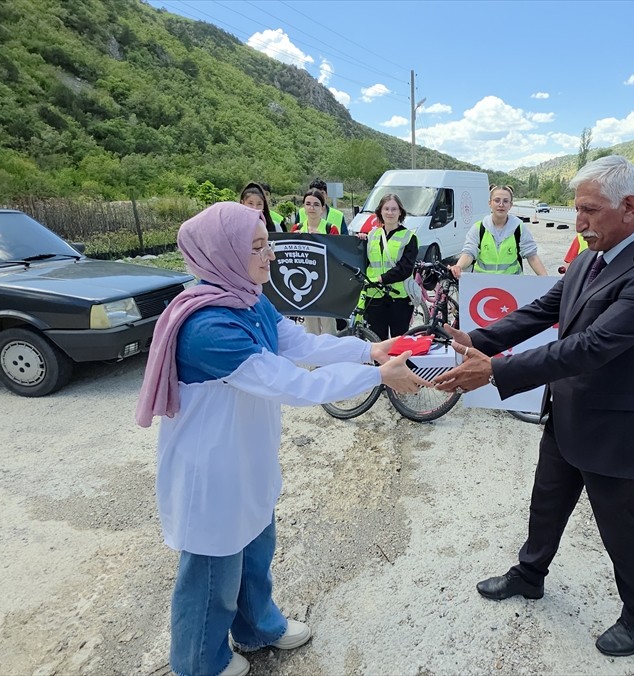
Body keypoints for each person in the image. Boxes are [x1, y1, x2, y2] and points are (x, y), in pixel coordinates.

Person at [135, 202, 427, 676]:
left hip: (247, 455)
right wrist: (378, 376)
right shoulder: (209, 327)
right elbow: (295, 384)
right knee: (212, 573)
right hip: (210, 469)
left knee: (255, 547)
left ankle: (257, 629)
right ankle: (199, 663)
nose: (269, 254)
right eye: (255, 247)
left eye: (266, 241)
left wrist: (368, 349)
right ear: (223, 253)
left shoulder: (248, 298)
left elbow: (303, 345)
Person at [432, 156, 634, 658]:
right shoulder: (596, 256)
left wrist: (497, 370)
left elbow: (591, 346)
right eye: (578, 210)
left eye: (590, 210)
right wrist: (478, 337)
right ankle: (530, 575)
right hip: (568, 410)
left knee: (622, 526)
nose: (580, 222)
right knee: (546, 503)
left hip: (616, 429)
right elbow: (544, 309)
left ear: (630, 207)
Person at [449, 185, 548, 278]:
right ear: (490, 203)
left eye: (505, 201)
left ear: (510, 205)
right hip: (482, 286)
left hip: (512, 286)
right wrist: (459, 267)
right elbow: (468, 253)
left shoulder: (519, 227)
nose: (501, 204)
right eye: (497, 200)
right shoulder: (479, 228)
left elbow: (532, 257)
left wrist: (547, 280)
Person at [360, 194, 418, 338]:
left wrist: (381, 279)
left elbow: (405, 269)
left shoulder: (409, 237)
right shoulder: (372, 235)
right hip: (374, 296)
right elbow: (364, 262)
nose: (390, 213)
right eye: (386, 209)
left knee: (399, 342)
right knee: (378, 341)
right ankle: (380, 363)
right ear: (380, 211)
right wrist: (359, 242)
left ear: (400, 212)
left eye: (394, 209)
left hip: (399, 298)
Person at [291, 189, 341, 336]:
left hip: (326, 282)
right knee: (310, 328)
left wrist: (323, 240)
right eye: (308, 204)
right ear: (304, 207)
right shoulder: (297, 228)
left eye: (316, 204)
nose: (312, 208)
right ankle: (313, 359)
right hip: (305, 283)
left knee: (328, 327)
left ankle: (330, 359)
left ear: (322, 208)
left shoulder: (330, 229)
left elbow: (337, 255)